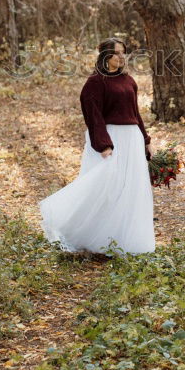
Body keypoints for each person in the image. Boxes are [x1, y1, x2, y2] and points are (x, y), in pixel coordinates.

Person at [39, 37, 155, 256]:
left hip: (132, 139)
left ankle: (126, 239)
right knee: (108, 189)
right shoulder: (96, 82)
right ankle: (87, 233)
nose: (121, 57)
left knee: (130, 189)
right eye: (116, 53)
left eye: (123, 52)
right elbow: (93, 115)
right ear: (105, 57)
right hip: (112, 140)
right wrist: (104, 145)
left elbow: (135, 114)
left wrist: (146, 140)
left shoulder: (128, 80)